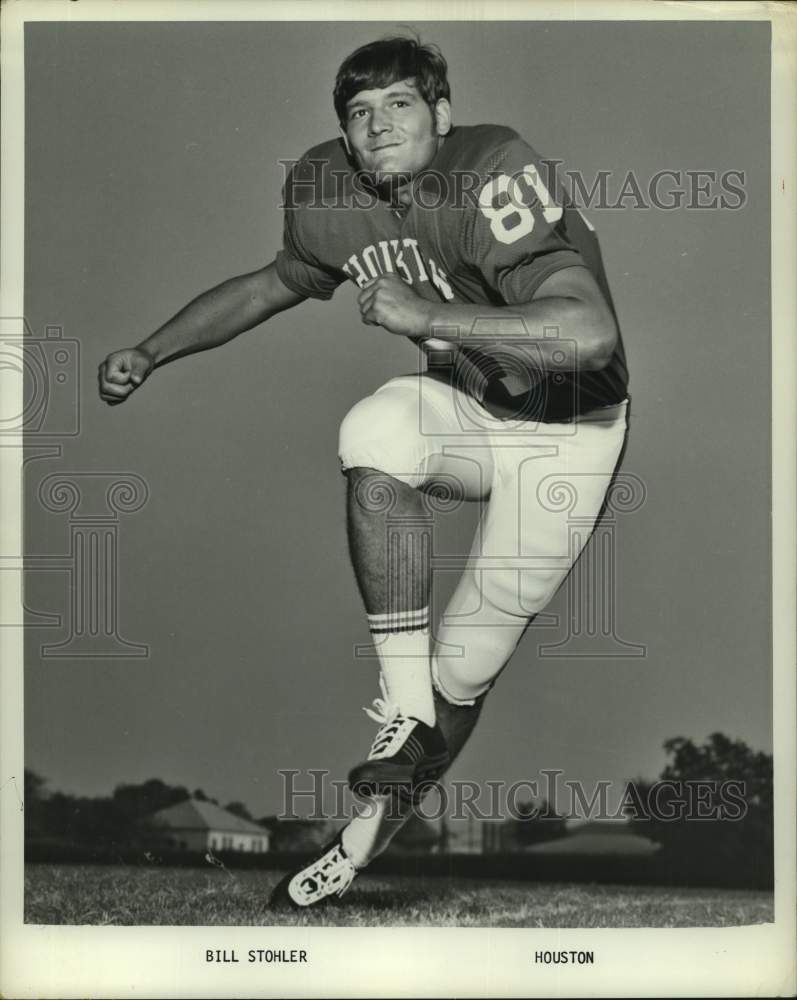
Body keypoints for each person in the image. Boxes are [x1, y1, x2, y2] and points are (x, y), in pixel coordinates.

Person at [98, 36, 629, 910]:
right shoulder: (326, 190)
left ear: (442, 115)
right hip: (465, 409)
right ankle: (402, 708)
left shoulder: (491, 170)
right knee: (373, 430)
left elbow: (588, 333)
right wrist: (152, 351)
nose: (378, 124)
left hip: (567, 432)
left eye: (399, 104)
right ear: (342, 134)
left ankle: (356, 845)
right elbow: (273, 282)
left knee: (465, 670)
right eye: (359, 111)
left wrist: (429, 313)